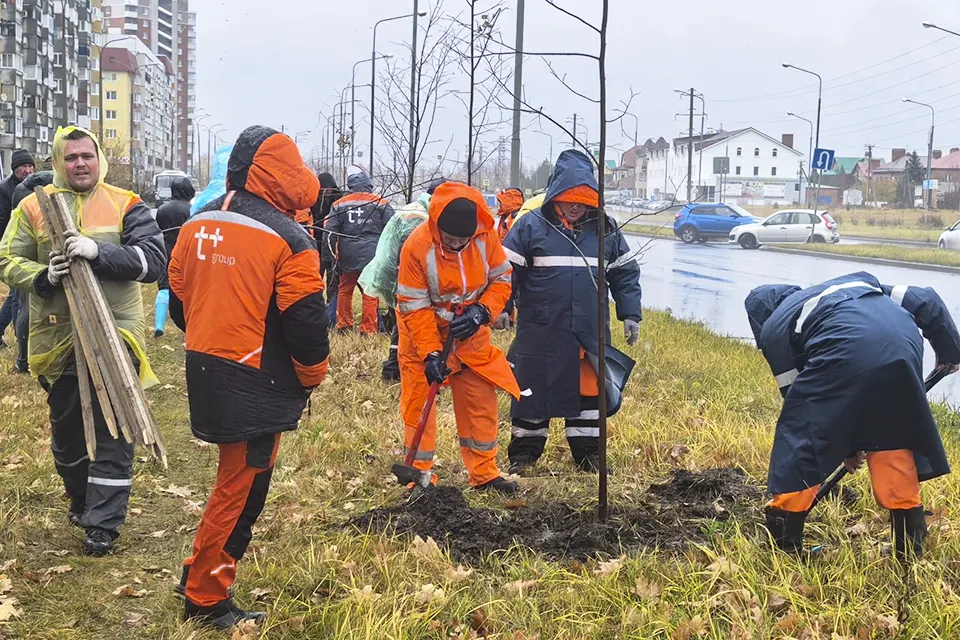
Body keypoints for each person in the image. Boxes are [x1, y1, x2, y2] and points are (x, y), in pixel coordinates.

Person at [168, 125, 330, 630]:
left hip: (205, 366)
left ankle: (199, 568)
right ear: (284, 176)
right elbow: (305, 325)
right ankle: (206, 595)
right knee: (241, 490)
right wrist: (312, 375)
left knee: (232, 482)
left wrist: (213, 337)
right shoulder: (290, 237)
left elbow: (178, 301)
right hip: (260, 380)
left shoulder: (198, 222)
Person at [0, 126, 165, 556]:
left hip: (116, 332)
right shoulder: (34, 207)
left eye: (87, 156)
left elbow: (153, 262)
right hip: (58, 337)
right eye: (71, 157)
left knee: (116, 427)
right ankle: (80, 497)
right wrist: (42, 275)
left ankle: (104, 524)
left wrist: (98, 251)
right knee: (68, 433)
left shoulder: (127, 203)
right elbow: (6, 258)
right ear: (58, 161)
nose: (80, 164)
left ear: (98, 159)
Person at [745, 272, 960, 560]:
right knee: (892, 435)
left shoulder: (776, 326)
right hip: (902, 345)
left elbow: (809, 412)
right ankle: (909, 550)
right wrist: (950, 352)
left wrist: (842, 446)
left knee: (802, 441)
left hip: (843, 347)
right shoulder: (856, 282)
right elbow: (927, 301)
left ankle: (784, 544)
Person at [503, 149, 642, 475]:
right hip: (540, 331)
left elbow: (625, 274)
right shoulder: (530, 227)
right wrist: (501, 307)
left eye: (583, 198)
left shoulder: (606, 231)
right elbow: (503, 272)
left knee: (588, 396)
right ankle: (523, 456)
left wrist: (631, 313)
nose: (576, 205)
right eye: (569, 198)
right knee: (531, 393)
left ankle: (590, 456)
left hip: (588, 332)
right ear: (555, 196)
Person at [396, 181, 520, 494]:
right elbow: (414, 306)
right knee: (417, 402)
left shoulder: (486, 237)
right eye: (449, 240)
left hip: (470, 333)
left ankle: (485, 473)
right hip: (423, 333)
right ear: (438, 228)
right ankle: (419, 475)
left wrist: (481, 312)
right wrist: (430, 354)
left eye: (461, 240)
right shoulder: (417, 246)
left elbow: (502, 280)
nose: (455, 245)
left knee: (480, 401)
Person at [361, 178, 441, 381]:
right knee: (406, 321)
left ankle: (394, 367)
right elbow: (409, 254)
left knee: (401, 320)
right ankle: (394, 368)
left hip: (396, 273)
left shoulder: (416, 209)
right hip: (404, 276)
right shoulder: (418, 216)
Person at [327, 165, 394, 335]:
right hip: (372, 255)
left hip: (347, 254)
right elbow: (392, 228)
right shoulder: (380, 202)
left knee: (345, 289)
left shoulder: (339, 204)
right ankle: (368, 328)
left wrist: (331, 257)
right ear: (368, 184)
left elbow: (330, 233)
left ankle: (343, 325)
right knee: (370, 290)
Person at [9, 170, 55, 374]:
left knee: (23, 308)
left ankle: (25, 358)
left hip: (23, 261)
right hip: (31, 264)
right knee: (27, 310)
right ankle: (24, 360)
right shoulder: (32, 201)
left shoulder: (20, 192)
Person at [0, 149, 37, 347]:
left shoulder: (33, 186)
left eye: (30, 166)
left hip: (27, 245)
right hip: (11, 248)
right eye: (23, 166)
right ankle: (22, 344)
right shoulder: (5, 189)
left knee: (15, 295)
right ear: (15, 169)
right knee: (17, 297)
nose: (28, 170)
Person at [154, 176, 195, 338]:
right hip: (185, 252)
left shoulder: (163, 209)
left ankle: (159, 325)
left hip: (166, 251)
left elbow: (157, 231)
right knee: (188, 288)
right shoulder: (192, 210)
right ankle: (189, 324)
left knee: (164, 286)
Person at [310, 172, 342, 325]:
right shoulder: (312, 197)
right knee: (315, 276)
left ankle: (331, 310)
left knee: (332, 278)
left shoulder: (338, 197)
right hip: (315, 242)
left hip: (331, 243)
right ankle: (316, 307)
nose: (326, 192)